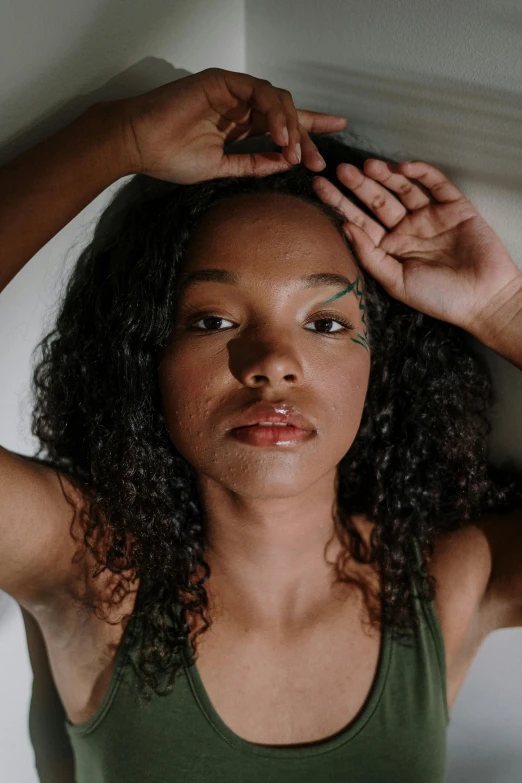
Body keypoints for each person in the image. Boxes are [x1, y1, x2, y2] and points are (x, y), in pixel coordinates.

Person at [1, 66, 522, 783]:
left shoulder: (441, 582)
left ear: (382, 369)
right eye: (213, 319)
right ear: (145, 352)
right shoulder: (90, 572)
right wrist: (112, 138)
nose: (275, 362)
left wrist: (505, 312)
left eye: (327, 322)